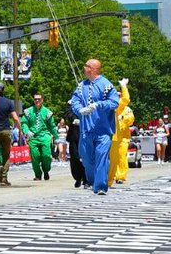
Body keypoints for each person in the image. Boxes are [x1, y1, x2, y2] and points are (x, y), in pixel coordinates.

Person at [70, 58, 119, 196]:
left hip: (103, 131)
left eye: (86, 66)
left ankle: (101, 186)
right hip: (86, 131)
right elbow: (75, 101)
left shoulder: (106, 85)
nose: (84, 68)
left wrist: (98, 105)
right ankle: (92, 180)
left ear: (92, 69)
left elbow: (114, 102)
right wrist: (80, 110)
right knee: (86, 158)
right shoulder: (81, 86)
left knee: (101, 156)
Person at [22, 90, 59, 182]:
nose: (37, 101)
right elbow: (24, 123)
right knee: (35, 156)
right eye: (35, 99)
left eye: (39, 99)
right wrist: (27, 131)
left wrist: (56, 137)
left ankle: (46, 170)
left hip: (45, 136)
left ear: (42, 100)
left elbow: (52, 126)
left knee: (46, 155)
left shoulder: (47, 112)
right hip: (33, 137)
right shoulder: (28, 111)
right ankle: (38, 174)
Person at [110, 79, 135, 186]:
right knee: (112, 158)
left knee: (121, 157)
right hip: (113, 136)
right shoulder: (112, 106)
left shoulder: (126, 109)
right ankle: (109, 178)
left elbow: (131, 119)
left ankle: (120, 176)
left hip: (123, 138)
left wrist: (123, 118)